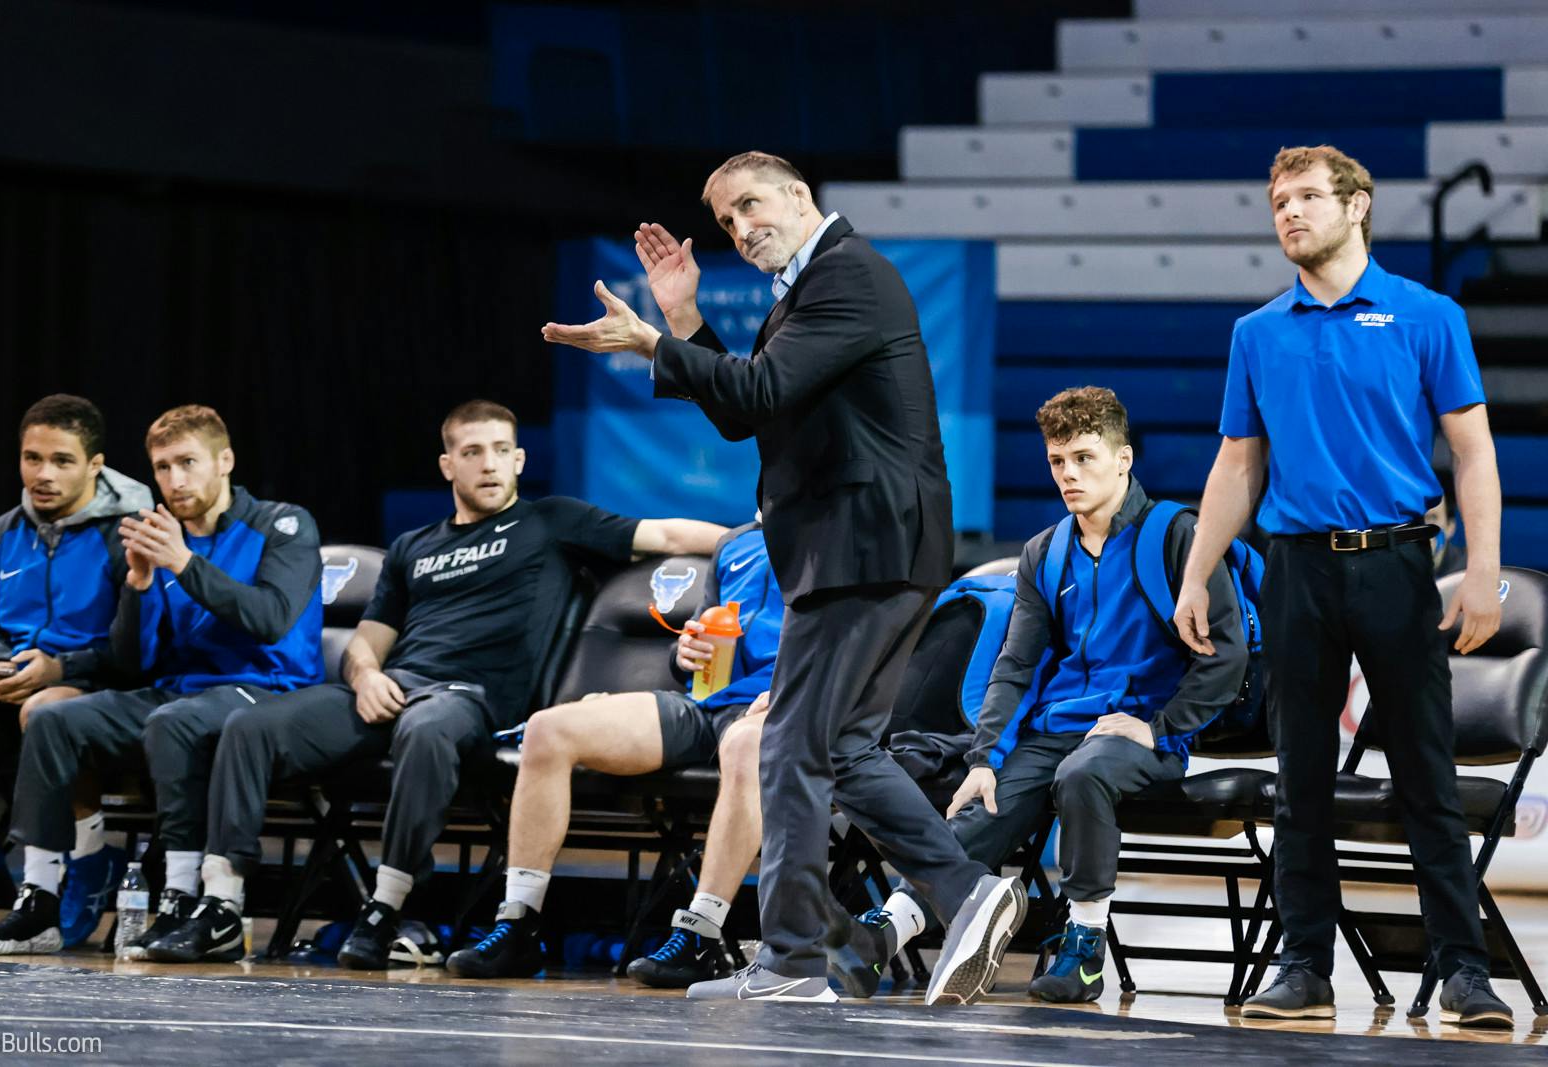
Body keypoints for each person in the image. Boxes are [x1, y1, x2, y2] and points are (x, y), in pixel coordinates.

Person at [544, 151, 1020, 1005]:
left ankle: (796, 957)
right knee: (838, 748)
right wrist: (682, 317)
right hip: (864, 551)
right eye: (727, 220)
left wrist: (651, 341)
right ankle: (962, 893)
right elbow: (740, 413)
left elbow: (760, 388)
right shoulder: (809, 291)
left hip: (862, 548)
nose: (741, 226)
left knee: (793, 746)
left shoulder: (848, 274)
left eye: (752, 204)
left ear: (801, 196)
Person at [145, 399, 726, 965]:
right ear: (448, 465)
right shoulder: (411, 548)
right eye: (473, 451)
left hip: (469, 700)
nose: (490, 464)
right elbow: (369, 640)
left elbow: (669, 537)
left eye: (502, 450)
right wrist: (367, 675)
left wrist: (750, 535)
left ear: (520, 460)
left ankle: (386, 909)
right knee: (250, 727)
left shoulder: (550, 520)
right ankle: (222, 902)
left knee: (425, 730)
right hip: (391, 688)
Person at [1171, 145, 1512, 1029]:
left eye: (1309, 197)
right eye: (1279, 200)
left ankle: (1466, 970)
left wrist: (1481, 572)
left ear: (1358, 206)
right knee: (1301, 779)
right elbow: (1237, 464)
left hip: (1400, 565)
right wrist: (1198, 572)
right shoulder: (1258, 332)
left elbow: (1473, 453)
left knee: (1426, 772)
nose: (1290, 213)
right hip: (1296, 571)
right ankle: (1303, 964)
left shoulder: (1427, 315)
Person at [831, 387, 1247, 1003]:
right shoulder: (1044, 551)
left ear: (1124, 458)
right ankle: (884, 937)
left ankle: (1083, 948)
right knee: (986, 802)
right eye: (1058, 462)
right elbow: (1016, 665)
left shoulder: (1177, 536)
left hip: (1136, 731)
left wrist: (1160, 727)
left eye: (1084, 457)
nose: (1069, 475)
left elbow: (1228, 653)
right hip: (1054, 729)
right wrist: (984, 758)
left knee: (1083, 774)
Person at [0, 404, 324, 957]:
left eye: (188, 463)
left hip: (265, 690)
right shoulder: (160, 536)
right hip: (179, 690)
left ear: (224, 461)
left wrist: (181, 564)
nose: (175, 481)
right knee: (56, 719)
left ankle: (177, 898)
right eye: (162, 467)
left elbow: (269, 618)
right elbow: (133, 660)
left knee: (173, 721)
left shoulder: (281, 523)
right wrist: (137, 584)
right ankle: (39, 899)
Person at [446, 519, 778, 986]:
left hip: (778, 708)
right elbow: (700, 642)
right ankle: (519, 925)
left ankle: (702, 937)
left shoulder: (839, 532)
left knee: (746, 745)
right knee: (548, 729)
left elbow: (856, 640)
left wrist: (796, 689)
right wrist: (683, 653)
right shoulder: (735, 543)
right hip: (708, 703)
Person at [0, 395, 151, 945]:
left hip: (97, 685)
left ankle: (87, 862)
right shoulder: (2, 533)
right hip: (16, 681)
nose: (43, 474)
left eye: (62, 460)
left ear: (95, 465)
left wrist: (59, 668)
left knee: (50, 713)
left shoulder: (129, 532)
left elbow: (135, 652)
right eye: (32, 458)